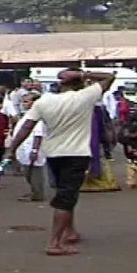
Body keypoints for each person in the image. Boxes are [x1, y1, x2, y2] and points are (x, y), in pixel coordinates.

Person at [7, 68, 115, 256]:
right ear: (79, 83)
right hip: (76, 154)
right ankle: (54, 243)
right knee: (66, 198)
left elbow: (26, 126)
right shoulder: (84, 97)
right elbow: (110, 77)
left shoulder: (44, 101)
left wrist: (11, 149)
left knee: (64, 193)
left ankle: (70, 231)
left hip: (53, 154)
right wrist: (82, 74)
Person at [12, 92, 47, 202]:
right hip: (25, 148)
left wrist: (35, 150)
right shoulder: (28, 114)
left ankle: (37, 194)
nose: (23, 104)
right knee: (28, 172)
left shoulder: (38, 116)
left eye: (26, 101)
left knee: (34, 172)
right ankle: (34, 191)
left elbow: (38, 134)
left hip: (32, 148)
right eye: (23, 102)